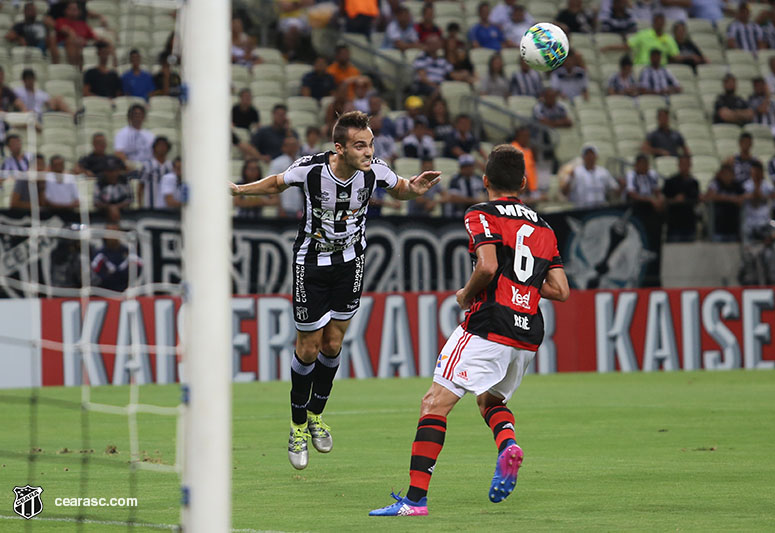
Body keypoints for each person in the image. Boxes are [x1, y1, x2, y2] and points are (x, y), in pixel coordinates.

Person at [229, 111, 441, 470]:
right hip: (310, 265)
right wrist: (238, 191)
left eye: (371, 144)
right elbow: (277, 183)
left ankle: (316, 416)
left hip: (350, 263)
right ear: (339, 148)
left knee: (333, 343)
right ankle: (296, 427)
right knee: (308, 347)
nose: (369, 152)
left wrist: (415, 189)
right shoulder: (311, 169)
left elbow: (401, 188)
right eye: (361, 146)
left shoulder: (375, 171)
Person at [368, 144, 569, 517]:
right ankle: (507, 444)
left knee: (434, 403)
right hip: (527, 333)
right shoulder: (544, 226)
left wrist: (465, 293)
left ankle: (414, 500)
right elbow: (560, 290)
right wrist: (523, 285)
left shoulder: (481, 213)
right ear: (524, 183)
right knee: (490, 401)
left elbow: (489, 266)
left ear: (485, 180)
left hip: (488, 321)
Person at [91, 223, 141, 292]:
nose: (112, 235)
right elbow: (98, 275)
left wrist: (114, 273)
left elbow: (137, 270)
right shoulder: (100, 255)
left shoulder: (128, 252)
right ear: (105, 235)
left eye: (115, 231)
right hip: (104, 292)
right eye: (109, 232)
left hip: (126, 291)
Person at [662, 154, 700, 241]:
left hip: (689, 224)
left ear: (690, 165)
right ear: (678, 165)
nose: (685, 166)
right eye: (683, 164)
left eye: (687, 164)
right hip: (674, 224)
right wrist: (674, 200)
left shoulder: (694, 182)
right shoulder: (670, 181)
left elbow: (696, 199)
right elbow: (664, 199)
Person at [54, 0, 102, 66]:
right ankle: (73, 67)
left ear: (79, 12)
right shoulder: (61, 20)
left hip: (81, 44)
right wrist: (76, 38)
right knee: (71, 39)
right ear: (65, 11)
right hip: (64, 43)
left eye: (75, 9)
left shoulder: (83, 24)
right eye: (70, 9)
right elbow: (63, 30)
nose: (72, 11)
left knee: (105, 42)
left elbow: (94, 37)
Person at [706, 162, 744, 241]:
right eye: (724, 173)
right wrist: (731, 198)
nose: (727, 176)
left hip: (734, 228)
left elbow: (742, 200)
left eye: (729, 173)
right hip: (718, 229)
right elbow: (709, 196)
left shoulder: (737, 185)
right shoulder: (716, 184)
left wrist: (725, 198)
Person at [269, 135, 305, 218]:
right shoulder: (277, 163)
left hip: (299, 207)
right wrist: (280, 208)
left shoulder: (302, 161)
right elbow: (273, 186)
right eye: (290, 145)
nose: (293, 147)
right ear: (284, 147)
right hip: (284, 207)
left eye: (295, 145)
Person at [741, 160, 775, 239]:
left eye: (757, 172)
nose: (755, 174)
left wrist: (760, 194)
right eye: (753, 172)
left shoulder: (768, 186)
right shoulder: (746, 185)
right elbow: (753, 200)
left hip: (764, 223)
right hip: (749, 225)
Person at [138, 136, 173, 208]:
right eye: (159, 145)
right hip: (150, 206)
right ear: (154, 148)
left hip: (168, 208)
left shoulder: (171, 166)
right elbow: (140, 186)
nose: (162, 147)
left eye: (164, 145)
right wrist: (139, 204)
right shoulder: (147, 165)